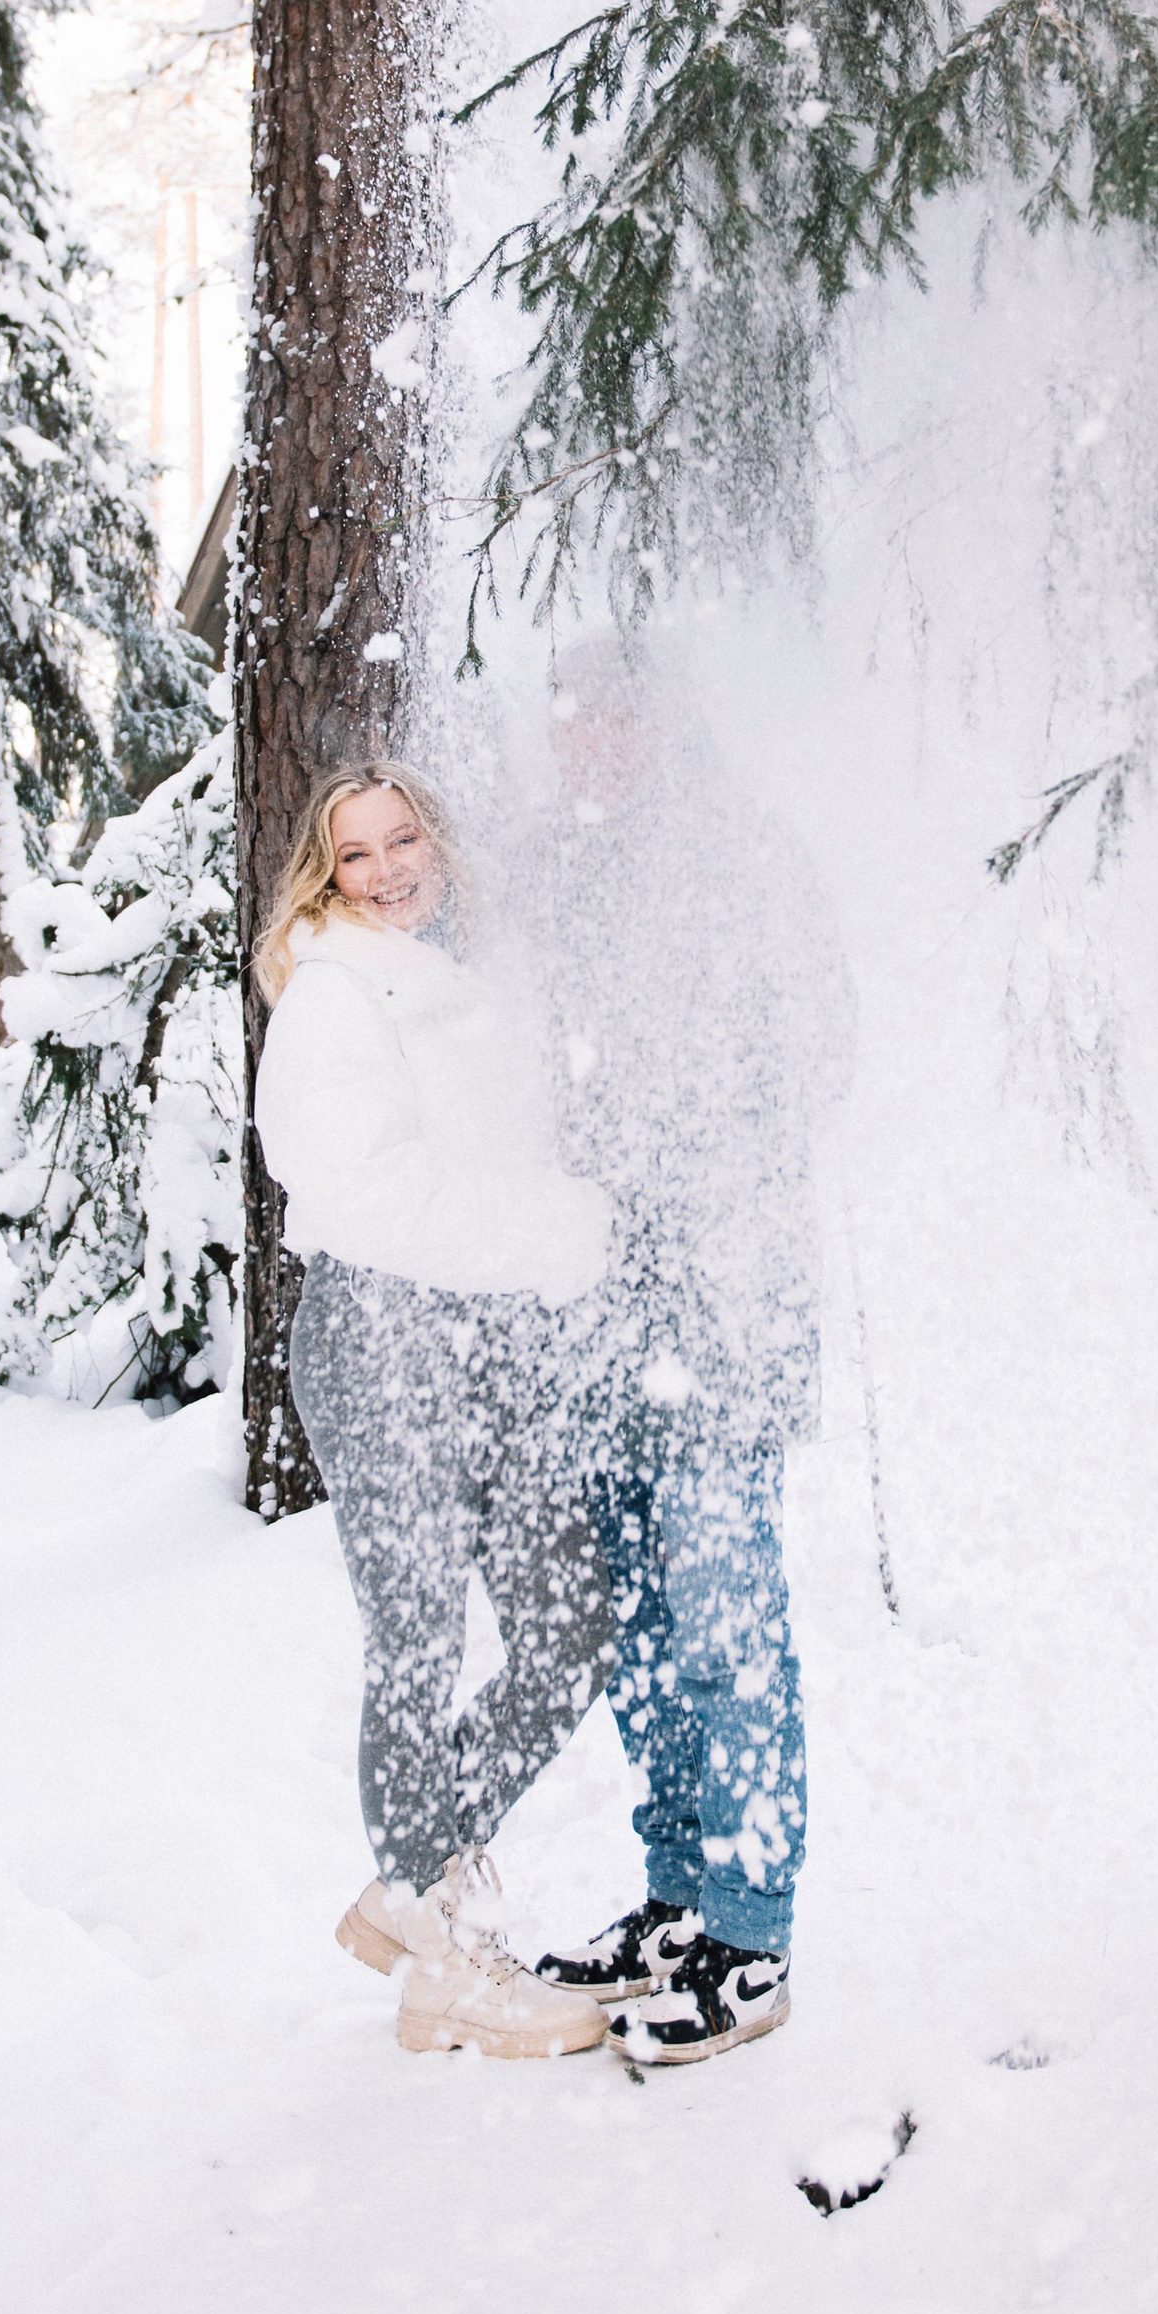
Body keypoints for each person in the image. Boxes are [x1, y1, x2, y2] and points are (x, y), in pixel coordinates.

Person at [253, 761, 617, 2060]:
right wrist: (558, 1231)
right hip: (383, 1335)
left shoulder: (467, 982)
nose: (390, 868)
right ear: (326, 877)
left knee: (568, 1621)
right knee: (418, 1641)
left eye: (406, 839)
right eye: (357, 856)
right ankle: (445, 1957)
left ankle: (412, 1889)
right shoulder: (333, 1000)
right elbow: (368, 1197)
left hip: (487, 1344)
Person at [522, 643, 854, 2064]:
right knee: (642, 1639)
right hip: (600, 1315)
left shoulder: (745, 861)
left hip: (724, 1307)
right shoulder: (551, 872)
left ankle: (751, 1927)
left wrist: (703, 1156)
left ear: (669, 724)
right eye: (573, 716)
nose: (592, 739)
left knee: (728, 1620)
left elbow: (822, 1048)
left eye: (620, 714)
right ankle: (674, 1892)